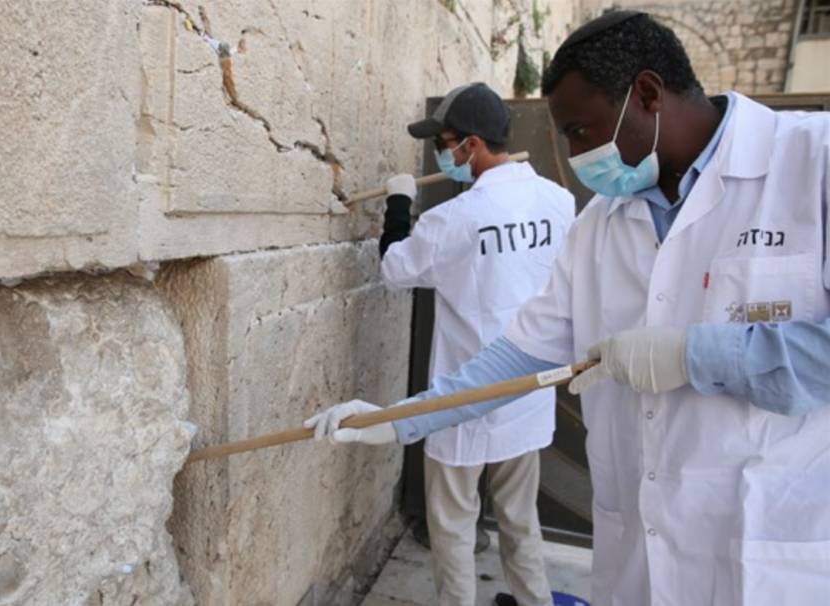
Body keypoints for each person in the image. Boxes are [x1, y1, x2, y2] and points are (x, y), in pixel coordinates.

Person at [307, 11, 830, 606]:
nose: (577, 155)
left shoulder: (813, 163)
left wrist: (695, 356)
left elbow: (397, 267)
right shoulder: (598, 221)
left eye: (581, 131)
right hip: (637, 557)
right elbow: (519, 354)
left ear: (648, 94)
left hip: (769, 557)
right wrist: (400, 419)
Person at [347, 82, 574, 606]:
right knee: (521, 520)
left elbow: (395, 268)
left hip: (463, 397)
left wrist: (399, 203)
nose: (441, 154)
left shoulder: (454, 217)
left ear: (471, 144)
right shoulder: (558, 201)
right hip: (526, 392)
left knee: (452, 525)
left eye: (443, 143)